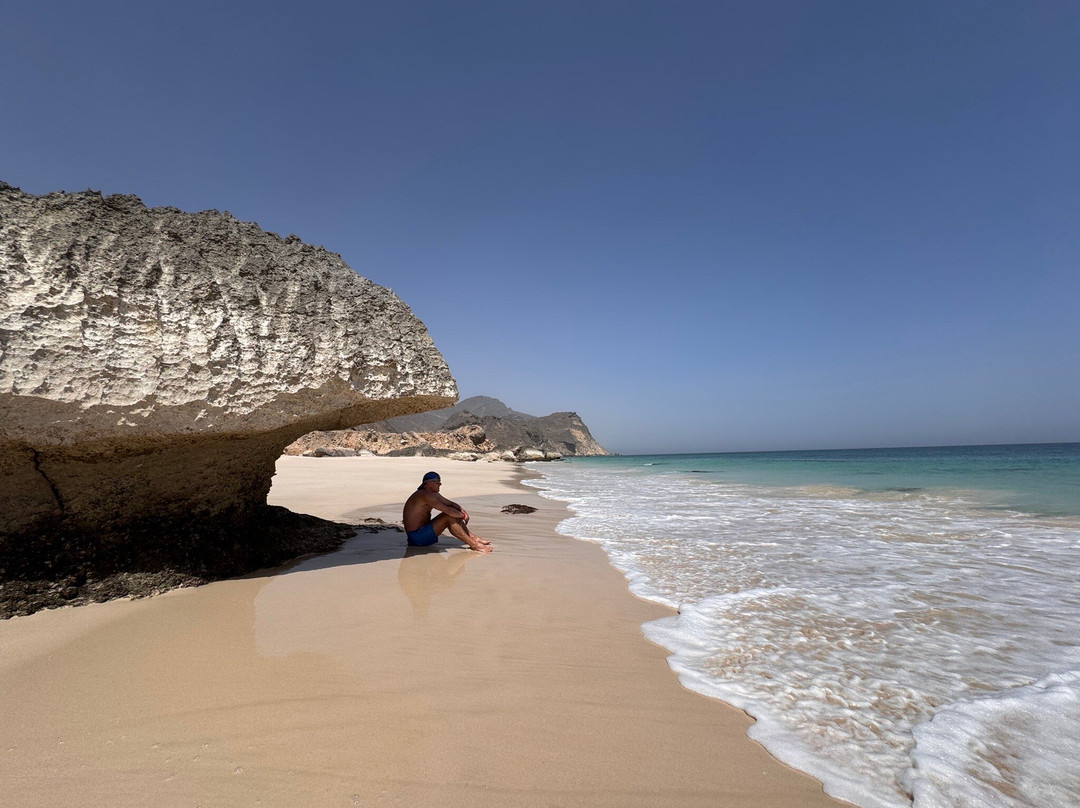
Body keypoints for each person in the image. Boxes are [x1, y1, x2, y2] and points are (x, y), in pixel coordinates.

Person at [402, 471, 492, 553]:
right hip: (417, 538)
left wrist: (462, 511)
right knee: (449, 516)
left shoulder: (433, 494)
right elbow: (448, 510)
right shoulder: (423, 495)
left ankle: (473, 537)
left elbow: (450, 504)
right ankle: (474, 545)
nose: (440, 484)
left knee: (453, 513)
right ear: (428, 484)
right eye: (437, 482)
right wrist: (462, 516)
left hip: (422, 531)